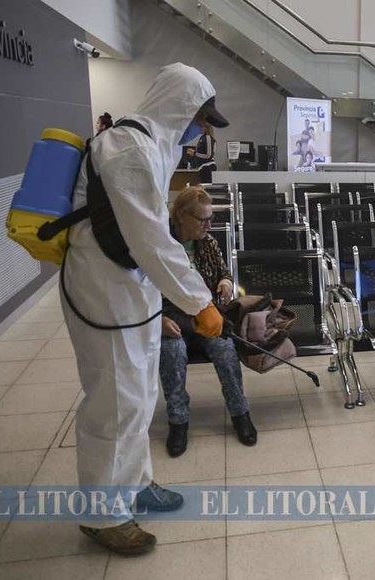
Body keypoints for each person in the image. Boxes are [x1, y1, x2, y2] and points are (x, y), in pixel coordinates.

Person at [61, 63, 229, 555]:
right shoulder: (129, 149)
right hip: (103, 293)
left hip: (129, 291)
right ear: (179, 106)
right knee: (115, 401)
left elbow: (149, 241)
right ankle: (105, 516)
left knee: (138, 392)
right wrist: (199, 302)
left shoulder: (152, 146)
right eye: (200, 119)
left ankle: (135, 484)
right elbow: (154, 239)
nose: (202, 130)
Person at [161, 187, 257, 458]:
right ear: (181, 216)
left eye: (210, 219)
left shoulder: (208, 243)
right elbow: (140, 294)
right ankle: (178, 421)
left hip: (206, 317)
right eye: (202, 220)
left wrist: (226, 282)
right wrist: (158, 321)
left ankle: (240, 414)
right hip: (171, 319)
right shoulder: (160, 247)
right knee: (172, 353)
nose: (208, 225)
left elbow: (224, 273)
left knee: (226, 352)